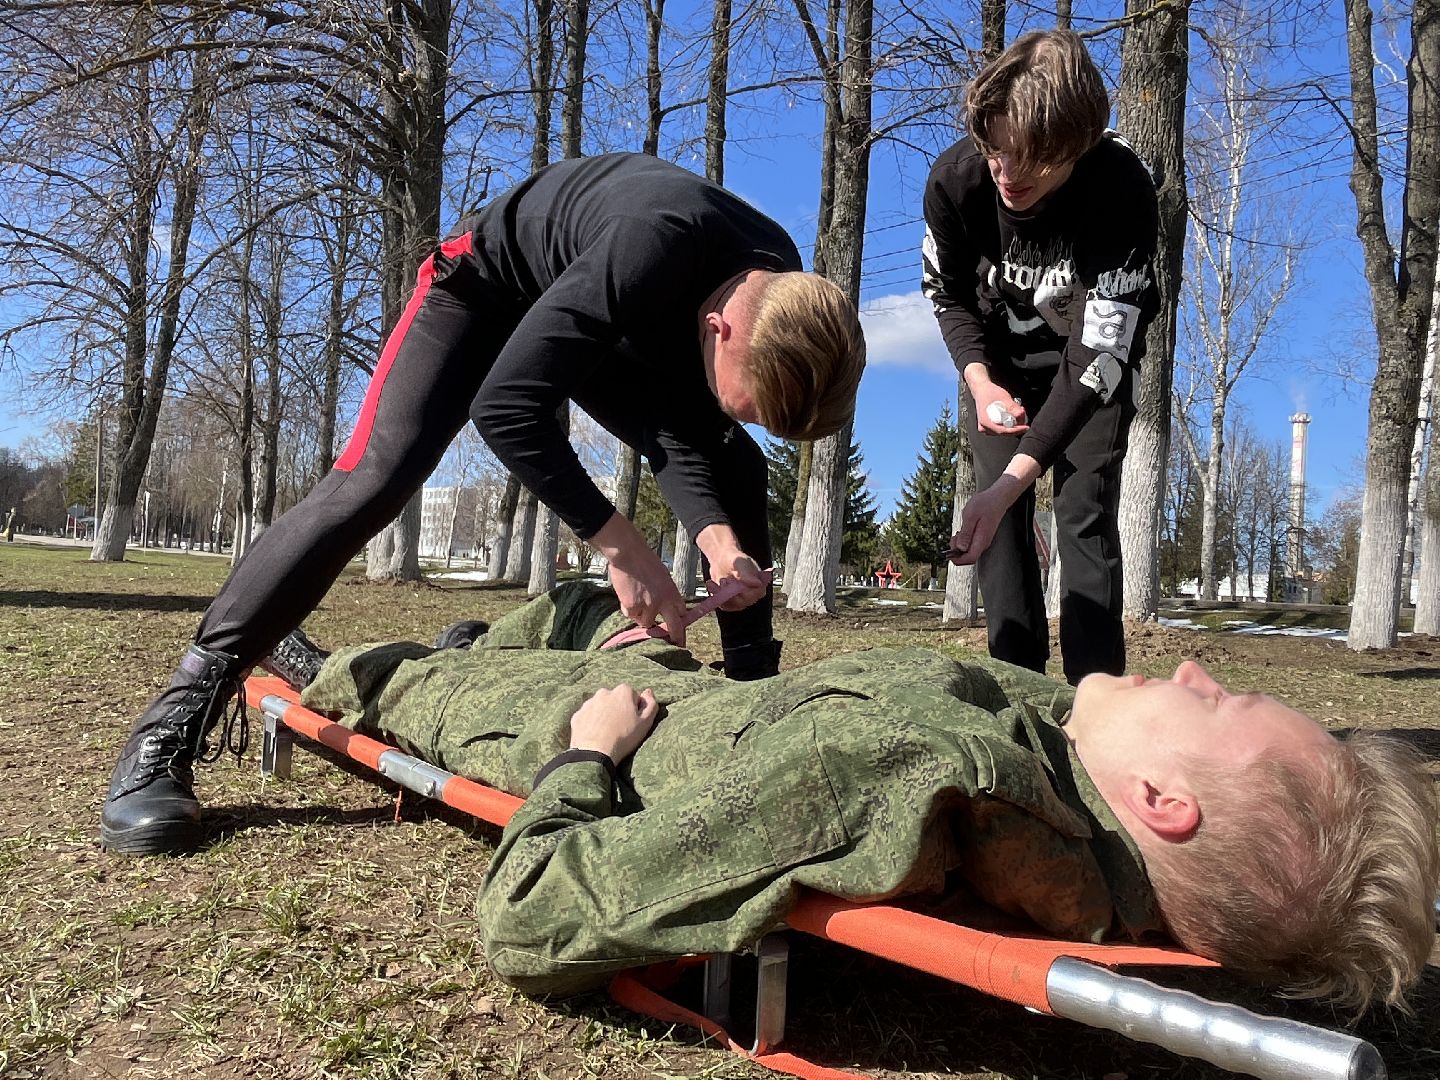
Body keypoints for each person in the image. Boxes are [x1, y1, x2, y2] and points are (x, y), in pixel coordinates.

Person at [100, 152, 867, 857]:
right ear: (720, 329)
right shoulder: (652, 243)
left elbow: (687, 433)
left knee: (737, 462)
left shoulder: (778, 282)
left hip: (596, 313)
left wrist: (721, 547)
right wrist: (621, 547)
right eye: (742, 402)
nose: (735, 415)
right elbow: (507, 408)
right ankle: (173, 724)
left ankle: (751, 697)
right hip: (483, 289)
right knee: (377, 477)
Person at [273, 581, 1438, 1014]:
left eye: (1218, 702)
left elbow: (532, 919)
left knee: (410, 678)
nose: (1192, 670)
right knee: (590, 599)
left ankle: (392, 660)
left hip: (597, 722)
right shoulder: (1071, 768)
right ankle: (508, 634)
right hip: (687, 688)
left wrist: (586, 754)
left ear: (1161, 800)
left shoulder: (894, 774)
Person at [923, 30, 1159, 683]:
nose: (1007, 172)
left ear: (1078, 144)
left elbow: (1098, 352)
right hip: (1000, 362)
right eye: (995, 149)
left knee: (1082, 511)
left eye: (1029, 157)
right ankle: (1018, 685)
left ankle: (1096, 700)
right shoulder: (955, 182)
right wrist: (980, 382)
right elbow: (948, 295)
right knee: (995, 522)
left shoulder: (1120, 188)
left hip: (1091, 366)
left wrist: (1014, 482)